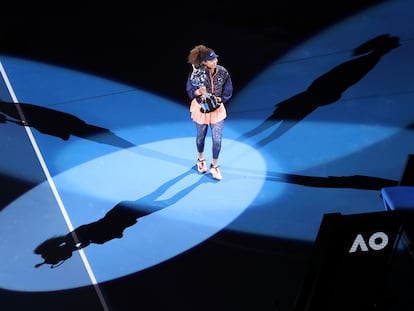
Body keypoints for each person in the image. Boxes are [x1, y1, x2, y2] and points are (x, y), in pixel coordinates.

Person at [186, 44, 233, 180]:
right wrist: (197, 92)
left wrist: (221, 99)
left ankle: (215, 165)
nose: (215, 61)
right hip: (201, 109)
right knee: (201, 137)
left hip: (217, 109)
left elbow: (228, 88)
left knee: (217, 140)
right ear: (204, 62)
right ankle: (201, 159)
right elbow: (190, 90)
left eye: (215, 59)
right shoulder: (196, 74)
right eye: (211, 60)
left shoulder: (223, 72)